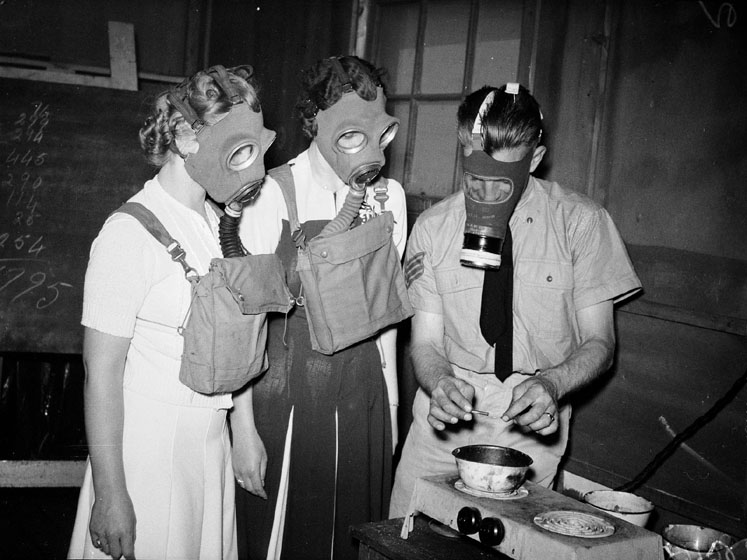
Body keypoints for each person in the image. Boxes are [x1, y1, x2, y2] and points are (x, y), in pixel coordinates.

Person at [388, 83, 642, 517]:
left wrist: (552, 385)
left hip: (533, 424)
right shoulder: (432, 228)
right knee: (404, 536)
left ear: (535, 161)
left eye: (500, 180)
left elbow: (600, 344)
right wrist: (441, 384)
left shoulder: (581, 224)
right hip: (442, 426)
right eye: (473, 178)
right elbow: (426, 343)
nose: (484, 194)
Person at [67, 65, 276, 560]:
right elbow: (101, 376)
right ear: (185, 137)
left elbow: (235, 334)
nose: (250, 167)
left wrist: (242, 430)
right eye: (237, 149)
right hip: (147, 451)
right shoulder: (127, 234)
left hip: (210, 445)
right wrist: (110, 494)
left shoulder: (214, 222)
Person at [234, 55, 407, 560]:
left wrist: (392, 411)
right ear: (315, 121)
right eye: (352, 133)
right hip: (285, 396)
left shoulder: (389, 197)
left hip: (361, 396)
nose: (368, 150)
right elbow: (245, 318)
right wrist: (241, 428)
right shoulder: (269, 193)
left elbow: (386, 317)